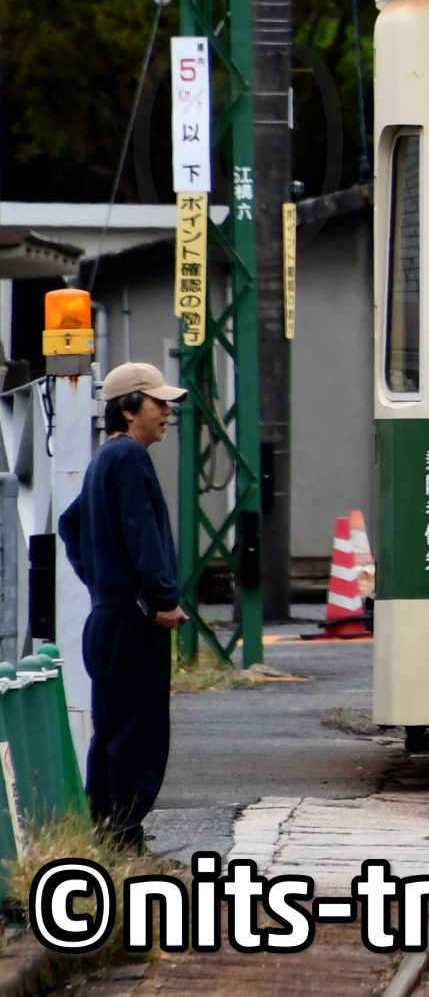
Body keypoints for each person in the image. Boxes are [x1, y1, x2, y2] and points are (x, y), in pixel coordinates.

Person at [60, 361, 187, 849]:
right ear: (130, 409)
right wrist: (161, 598)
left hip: (107, 616)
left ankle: (105, 831)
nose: (167, 412)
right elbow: (143, 533)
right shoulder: (131, 457)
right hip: (135, 619)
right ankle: (125, 836)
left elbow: (71, 524)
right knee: (140, 729)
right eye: (158, 403)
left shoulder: (104, 459)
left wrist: (100, 581)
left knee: (111, 727)